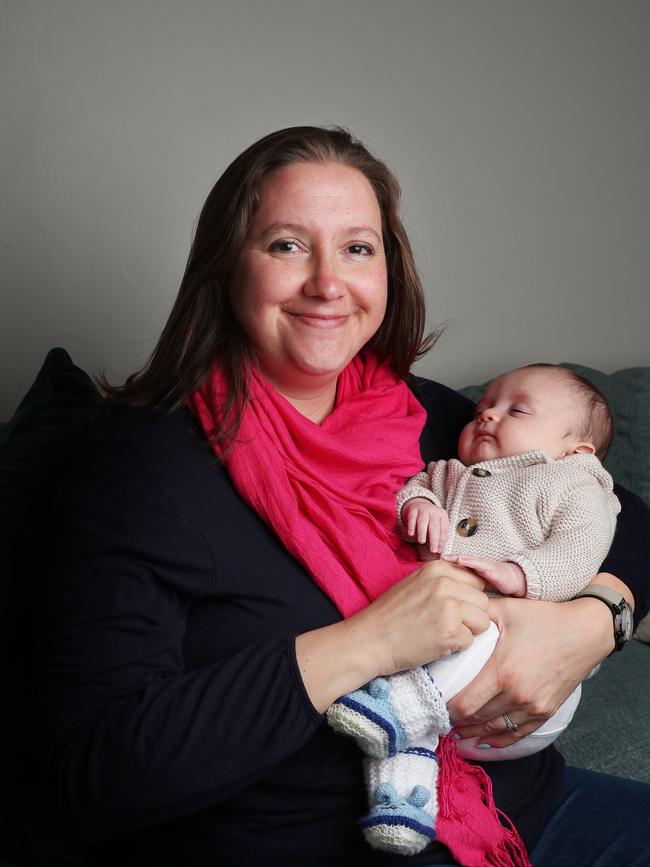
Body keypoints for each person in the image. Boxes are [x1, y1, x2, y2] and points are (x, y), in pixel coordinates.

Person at [39, 126, 650, 867]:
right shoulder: (140, 467)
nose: (328, 283)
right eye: (287, 245)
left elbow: (620, 513)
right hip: (315, 841)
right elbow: (88, 773)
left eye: (358, 248)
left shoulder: (432, 417)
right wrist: (368, 643)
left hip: (515, 810)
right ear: (226, 266)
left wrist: (591, 622)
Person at [327, 363, 621, 855]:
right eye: (483, 406)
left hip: (521, 688)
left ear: (577, 449)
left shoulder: (573, 484)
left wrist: (521, 574)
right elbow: (414, 485)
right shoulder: (448, 473)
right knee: (409, 694)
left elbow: (582, 548)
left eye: (516, 410)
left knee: (485, 623)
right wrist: (416, 504)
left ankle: (404, 709)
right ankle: (403, 798)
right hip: (449, 684)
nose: (486, 415)